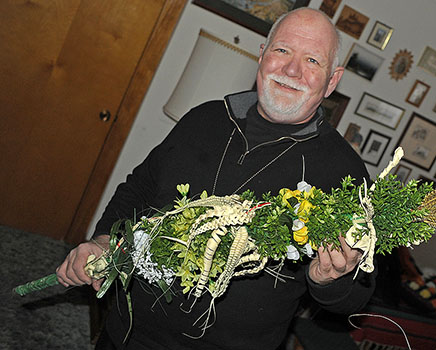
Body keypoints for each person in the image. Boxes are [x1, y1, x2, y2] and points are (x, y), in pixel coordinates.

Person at [56, 8, 375, 350]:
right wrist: (103, 241)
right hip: (126, 335)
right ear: (262, 54)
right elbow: (139, 187)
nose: (292, 69)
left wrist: (330, 280)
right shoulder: (202, 119)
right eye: (282, 50)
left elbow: (356, 296)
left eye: (312, 60)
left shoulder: (346, 175)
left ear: (332, 80)